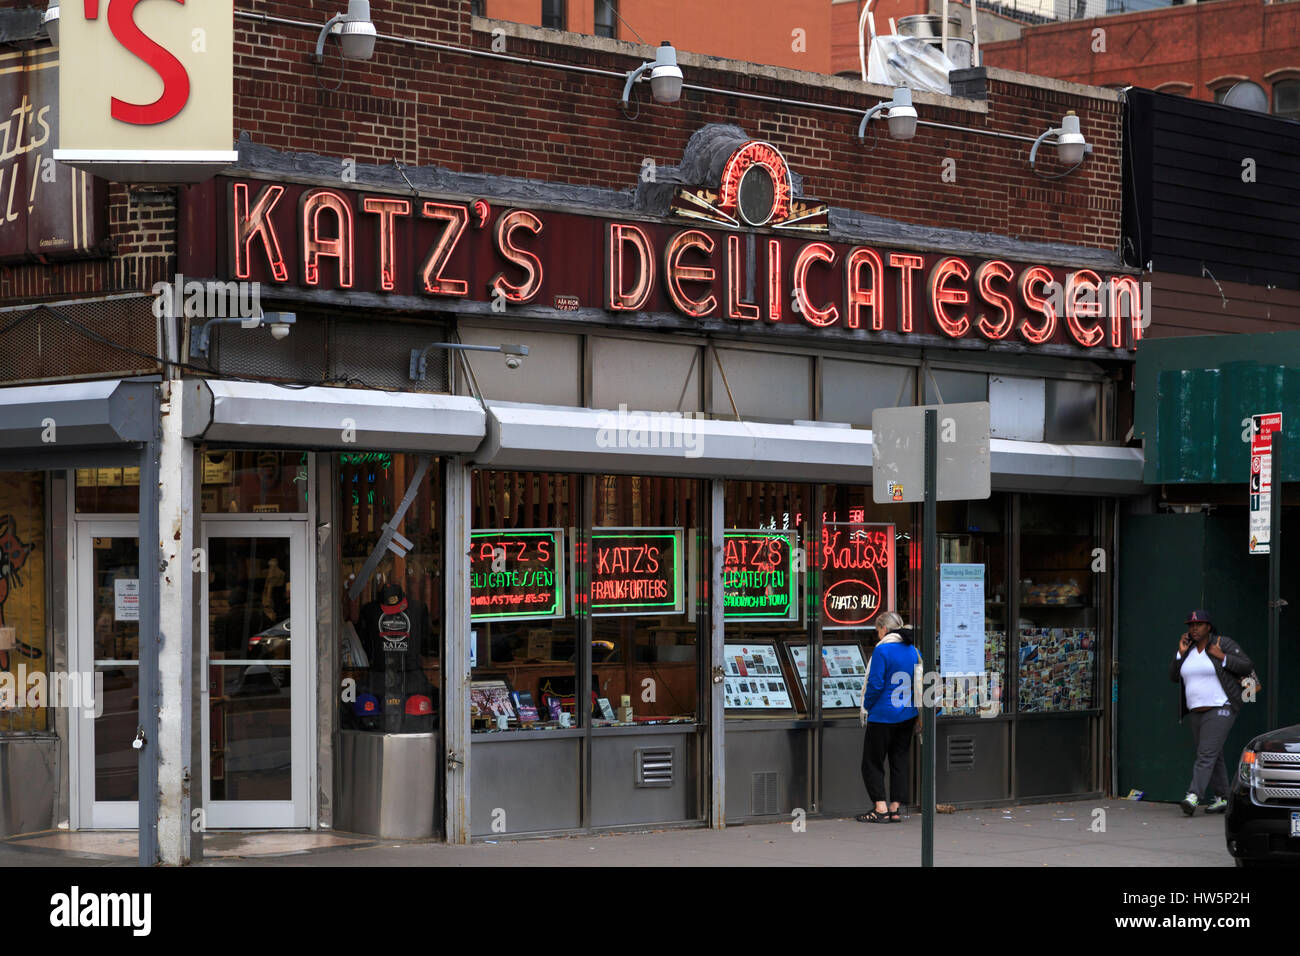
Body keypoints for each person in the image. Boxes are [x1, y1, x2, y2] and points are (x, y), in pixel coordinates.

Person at [1169, 609, 1254, 816]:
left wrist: (1222, 657)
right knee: (1213, 755)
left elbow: (1246, 665)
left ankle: (1193, 796)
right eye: (1191, 625)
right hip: (1196, 711)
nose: (1194, 628)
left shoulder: (1222, 644)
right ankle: (1223, 798)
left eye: (1199, 624)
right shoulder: (1187, 650)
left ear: (1209, 627)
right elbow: (1173, 676)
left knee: (1206, 754)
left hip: (1221, 707)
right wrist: (1179, 654)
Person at [857, 611, 921, 823]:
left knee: (872, 762)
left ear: (884, 629)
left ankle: (880, 808)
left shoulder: (882, 650)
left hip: (883, 715)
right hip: (907, 714)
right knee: (899, 760)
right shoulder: (912, 650)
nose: (877, 635)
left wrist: (867, 705)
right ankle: (895, 808)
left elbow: (875, 684)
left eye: (878, 630)